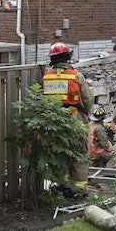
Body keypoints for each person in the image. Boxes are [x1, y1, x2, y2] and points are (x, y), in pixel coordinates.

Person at [42, 42, 94, 198]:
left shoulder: (47, 77)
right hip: (75, 118)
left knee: (61, 154)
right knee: (79, 154)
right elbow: (88, 100)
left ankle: (63, 186)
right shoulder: (76, 76)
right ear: (67, 57)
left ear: (53, 59)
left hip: (56, 120)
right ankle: (79, 190)